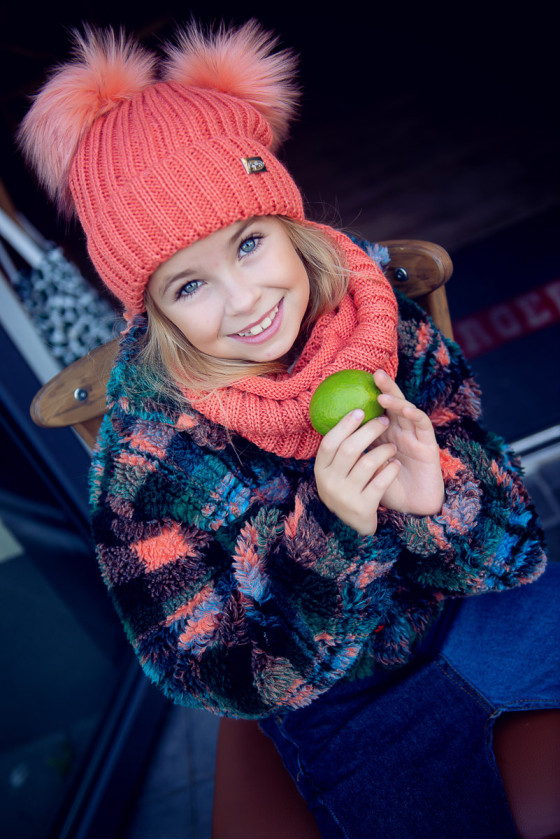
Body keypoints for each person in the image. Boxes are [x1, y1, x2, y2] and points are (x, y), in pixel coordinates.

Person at [19, 21, 559, 838]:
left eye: (248, 243)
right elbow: (208, 671)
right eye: (190, 284)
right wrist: (334, 536)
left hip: (467, 612)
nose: (244, 301)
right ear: (155, 310)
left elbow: (516, 540)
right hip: (342, 699)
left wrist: (437, 495)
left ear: (286, 223)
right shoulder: (149, 452)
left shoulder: (378, 322)